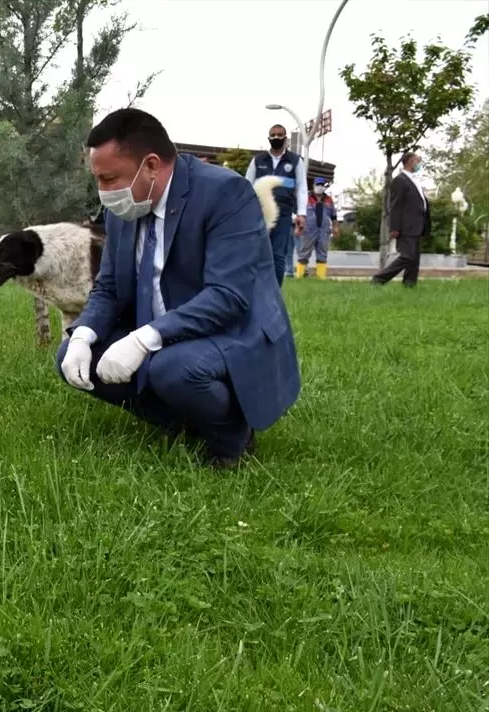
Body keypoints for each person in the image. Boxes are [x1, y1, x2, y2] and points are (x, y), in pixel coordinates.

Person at [58, 108, 300, 469]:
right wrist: (82, 335)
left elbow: (227, 297)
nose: (104, 192)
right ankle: (183, 422)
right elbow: (108, 287)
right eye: (98, 180)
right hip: (164, 327)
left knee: (173, 368)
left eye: (110, 179)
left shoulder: (226, 193)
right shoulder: (123, 209)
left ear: (151, 165)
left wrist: (144, 339)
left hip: (233, 329)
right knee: (72, 357)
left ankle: (233, 438)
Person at [246, 124, 306, 286]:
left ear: (285, 138)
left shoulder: (295, 161)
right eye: (273, 135)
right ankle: (256, 288)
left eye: (280, 135)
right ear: (268, 138)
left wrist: (301, 213)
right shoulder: (258, 161)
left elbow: (301, 188)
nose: (276, 138)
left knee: (279, 255)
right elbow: (247, 186)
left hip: (284, 214)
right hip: (259, 214)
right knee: (257, 253)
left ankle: (274, 290)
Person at [371, 152, 431, 288]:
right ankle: (379, 279)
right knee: (407, 256)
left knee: (414, 258)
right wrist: (394, 227)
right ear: (410, 161)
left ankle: (409, 284)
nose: (420, 164)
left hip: (417, 225)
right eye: (418, 161)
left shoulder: (415, 180)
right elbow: (396, 205)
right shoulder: (400, 180)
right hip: (406, 226)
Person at [295, 177, 339, 279]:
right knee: (304, 253)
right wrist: (298, 227)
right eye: (318, 185)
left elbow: (334, 216)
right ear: (313, 186)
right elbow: (300, 214)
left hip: (323, 230)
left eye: (322, 185)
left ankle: (321, 277)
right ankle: (299, 276)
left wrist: (335, 227)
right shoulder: (306, 198)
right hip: (308, 230)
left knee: (322, 253)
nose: (320, 187)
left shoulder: (329, 200)